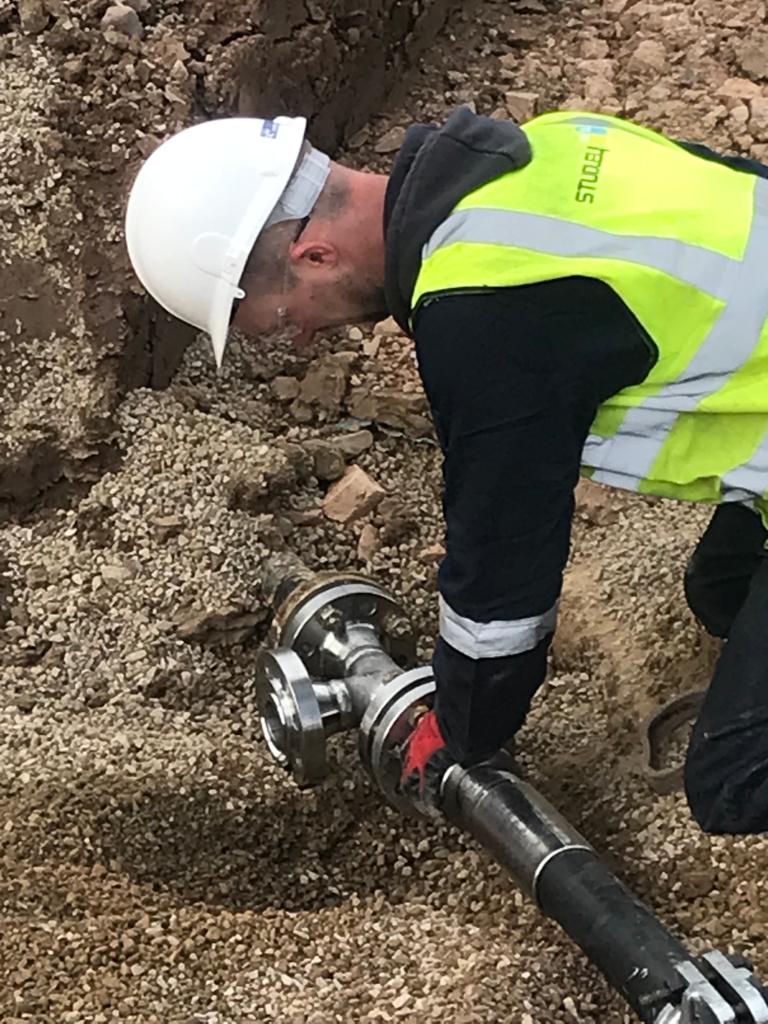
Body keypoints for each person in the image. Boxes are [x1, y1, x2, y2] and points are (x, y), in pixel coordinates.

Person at [126, 107, 768, 835]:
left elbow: (503, 564)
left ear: (314, 256)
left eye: (282, 319)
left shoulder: (486, 313)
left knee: (731, 782)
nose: (301, 335)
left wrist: (461, 729)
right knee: (720, 592)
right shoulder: (544, 147)